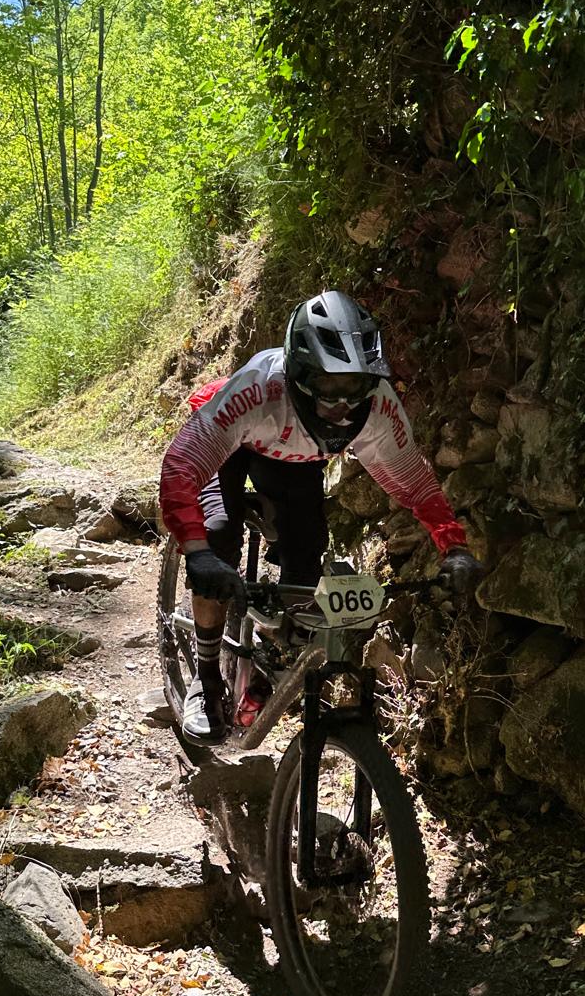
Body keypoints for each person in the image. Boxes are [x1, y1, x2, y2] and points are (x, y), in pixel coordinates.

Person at [159, 289, 485, 743]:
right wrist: (196, 551)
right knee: (217, 536)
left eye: (355, 386)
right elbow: (181, 470)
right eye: (330, 386)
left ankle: (268, 671)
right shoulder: (259, 389)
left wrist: (453, 545)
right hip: (232, 446)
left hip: (296, 458)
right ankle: (206, 677)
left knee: (307, 560)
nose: (343, 404)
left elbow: (412, 480)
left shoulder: (378, 406)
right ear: (299, 373)